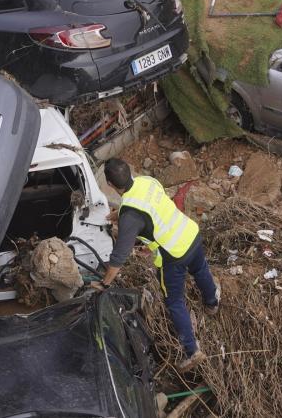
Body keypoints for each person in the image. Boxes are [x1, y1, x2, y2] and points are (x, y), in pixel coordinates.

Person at [92, 158, 219, 371]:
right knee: (200, 270)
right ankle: (212, 303)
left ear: (110, 185)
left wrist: (104, 284)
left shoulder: (130, 216)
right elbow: (154, 208)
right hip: (190, 233)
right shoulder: (147, 181)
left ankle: (192, 350)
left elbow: (119, 256)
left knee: (175, 302)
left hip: (174, 255)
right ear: (130, 172)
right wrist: (122, 214)